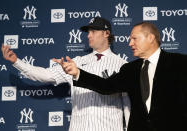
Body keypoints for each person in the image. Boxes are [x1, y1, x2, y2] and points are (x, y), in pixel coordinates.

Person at [1, 17, 130, 131]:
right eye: (88, 32)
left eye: (93, 31)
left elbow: (128, 104)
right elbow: (46, 75)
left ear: (106, 33)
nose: (89, 35)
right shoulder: (76, 63)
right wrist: (16, 62)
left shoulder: (122, 65)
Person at [55, 22, 187, 131]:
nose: (130, 43)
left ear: (150, 38)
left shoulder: (180, 63)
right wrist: (78, 73)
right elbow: (106, 86)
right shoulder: (130, 69)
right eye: (130, 39)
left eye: (134, 38)